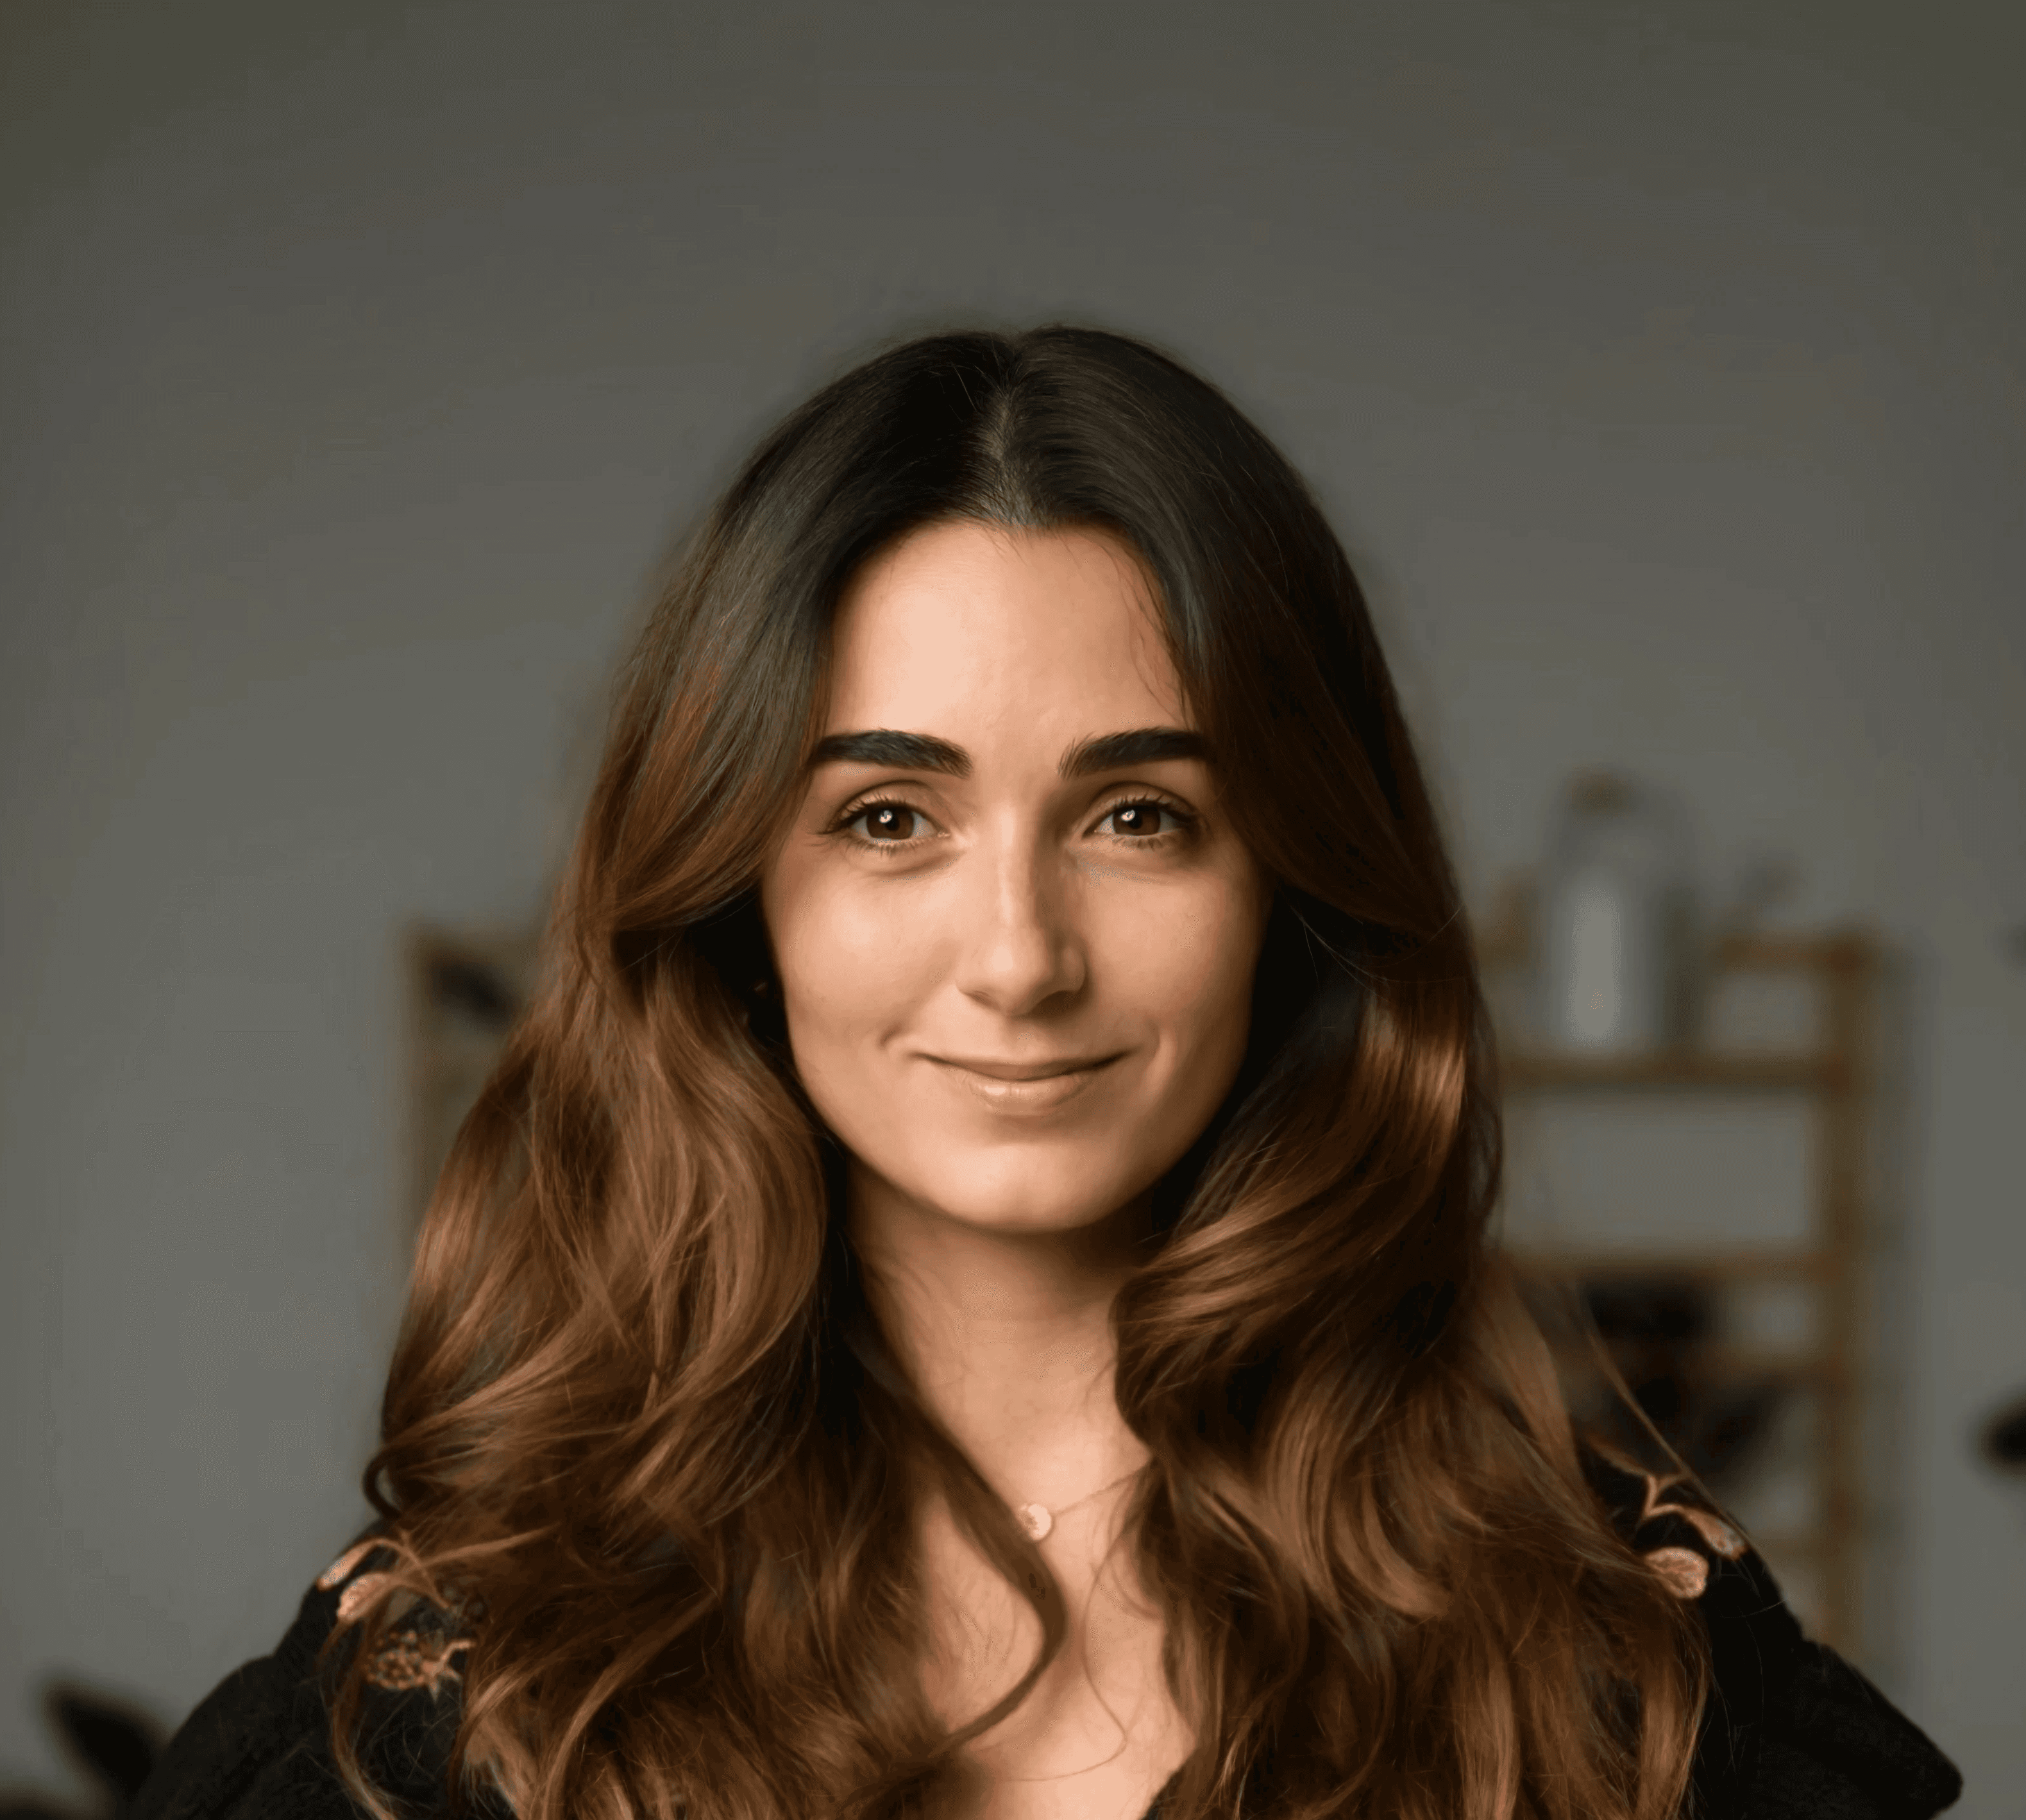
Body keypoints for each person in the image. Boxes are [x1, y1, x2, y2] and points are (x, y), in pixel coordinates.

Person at [132, 327, 1962, 1820]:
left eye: (1138, 814)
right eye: (889, 816)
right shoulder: (458, 1688)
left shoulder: (1617, 1671)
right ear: (738, 897)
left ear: (1291, 891)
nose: (1019, 957)